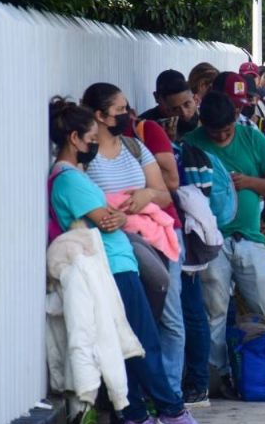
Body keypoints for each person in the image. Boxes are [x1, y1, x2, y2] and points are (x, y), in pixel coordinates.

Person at [47, 97, 209, 424]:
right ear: (75, 138)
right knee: (143, 340)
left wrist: (121, 211)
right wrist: (120, 212)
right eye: (91, 139)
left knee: (132, 341)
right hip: (112, 265)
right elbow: (106, 220)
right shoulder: (69, 180)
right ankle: (171, 410)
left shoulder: (73, 175)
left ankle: (136, 414)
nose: (95, 145)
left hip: (117, 262)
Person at [180, 91, 265, 400]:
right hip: (209, 242)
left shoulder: (252, 138)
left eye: (226, 131)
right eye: (214, 132)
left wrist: (249, 182)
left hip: (250, 238)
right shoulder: (191, 142)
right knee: (214, 310)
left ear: (235, 120)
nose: (221, 136)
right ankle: (217, 375)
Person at [80, 84, 188, 400]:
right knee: (123, 323)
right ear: (99, 116)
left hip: (153, 238)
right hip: (115, 243)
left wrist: (146, 195)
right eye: (120, 110)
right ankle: (130, 397)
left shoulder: (134, 147)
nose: (129, 115)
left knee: (169, 318)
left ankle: (168, 392)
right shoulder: (87, 154)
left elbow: (165, 193)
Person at [140, 69, 199, 141]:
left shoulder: (205, 117)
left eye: (187, 104)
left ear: (195, 99)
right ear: (157, 97)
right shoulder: (145, 124)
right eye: (175, 109)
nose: (184, 113)